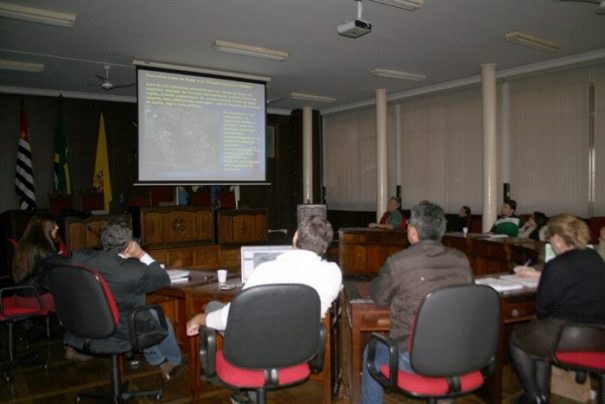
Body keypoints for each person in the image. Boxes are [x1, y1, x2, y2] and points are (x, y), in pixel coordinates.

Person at [361, 201, 474, 404]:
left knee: (370, 353)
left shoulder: (399, 262)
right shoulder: (462, 260)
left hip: (412, 358)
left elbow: (380, 297)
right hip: (456, 354)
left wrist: (379, 279)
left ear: (413, 231)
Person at [66, 222, 184, 380]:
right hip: (120, 330)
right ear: (130, 244)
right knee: (158, 317)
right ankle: (174, 361)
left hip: (87, 325)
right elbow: (162, 278)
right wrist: (141, 254)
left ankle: (156, 358)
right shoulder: (133, 271)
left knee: (146, 315)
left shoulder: (79, 259)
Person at [186, 216, 342, 334]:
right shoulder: (333, 273)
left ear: (295, 236)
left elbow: (228, 319)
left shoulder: (267, 270)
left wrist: (198, 319)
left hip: (257, 349)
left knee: (213, 307)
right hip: (300, 350)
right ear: (324, 248)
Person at [509, 214, 605, 404]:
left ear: (559, 240)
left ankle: (533, 395)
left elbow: (542, 308)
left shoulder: (556, 266)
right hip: (598, 335)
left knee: (517, 338)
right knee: (536, 339)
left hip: (566, 335)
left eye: (550, 238)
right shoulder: (595, 257)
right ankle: (542, 394)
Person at [12, 214, 69, 311]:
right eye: (54, 227)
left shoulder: (25, 245)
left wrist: (55, 256)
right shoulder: (43, 249)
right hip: (36, 298)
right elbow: (68, 263)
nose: (57, 230)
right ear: (47, 229)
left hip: (20, 296)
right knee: (77, 297)